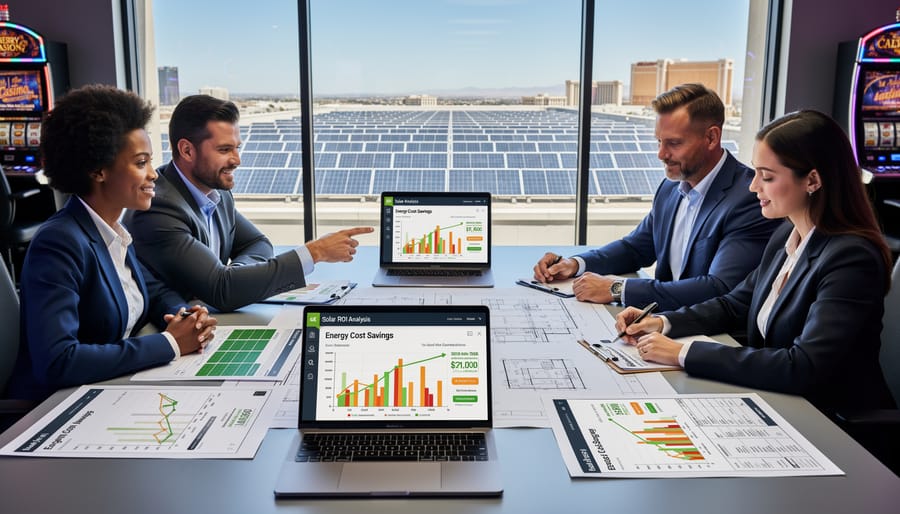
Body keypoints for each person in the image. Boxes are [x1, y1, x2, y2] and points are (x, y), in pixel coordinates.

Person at [615, 110, 895, 413]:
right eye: (756, 172)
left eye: (768, 176)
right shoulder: (786, 234)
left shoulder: (851, 259)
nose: (753, 186)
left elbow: (803, 367)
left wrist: (684, 353)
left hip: (831, 423)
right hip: (775, 401)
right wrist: (663, 322)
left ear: (812, 180)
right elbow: (734, 305)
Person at [7, 85, 217, 401]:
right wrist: (170, 343)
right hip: (52, 408)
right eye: (140, 162)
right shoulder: (60, 243)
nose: (153, 175)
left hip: (108, 390)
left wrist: (185, 316)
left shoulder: (113, 230)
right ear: (97, 170)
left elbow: (153, 292)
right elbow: (58, 361)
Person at [533, 84, 781, 312]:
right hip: (661, 324)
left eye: (673, 143)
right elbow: (635, 248)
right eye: (659, 141)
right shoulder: (670, 188)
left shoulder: (750, 197)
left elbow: (718, 288)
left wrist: (615, 289)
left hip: (713, 337)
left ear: (711, 138)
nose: (661, 154)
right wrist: (575, 264)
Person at [124, 95, 373, 312]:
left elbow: (258, 243)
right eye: (224, 150)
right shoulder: (157, 208)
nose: (237, 160)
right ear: (187, 151)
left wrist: (237, 274)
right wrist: (314, 252)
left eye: (237, 148)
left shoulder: (216, 194)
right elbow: (224, 290)